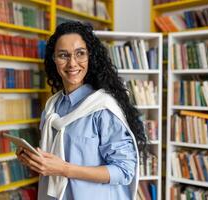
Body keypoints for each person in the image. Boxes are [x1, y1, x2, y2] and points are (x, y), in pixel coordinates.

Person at [16, 21, 146, 200]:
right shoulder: (52, 107)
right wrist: (34, 160)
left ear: (90, 57)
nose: (72, 63)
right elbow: (54, 157)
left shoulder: (103, 108)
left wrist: (64, 169)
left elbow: (124, 171)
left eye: (80, 54)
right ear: (54, 59)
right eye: (63, 55)